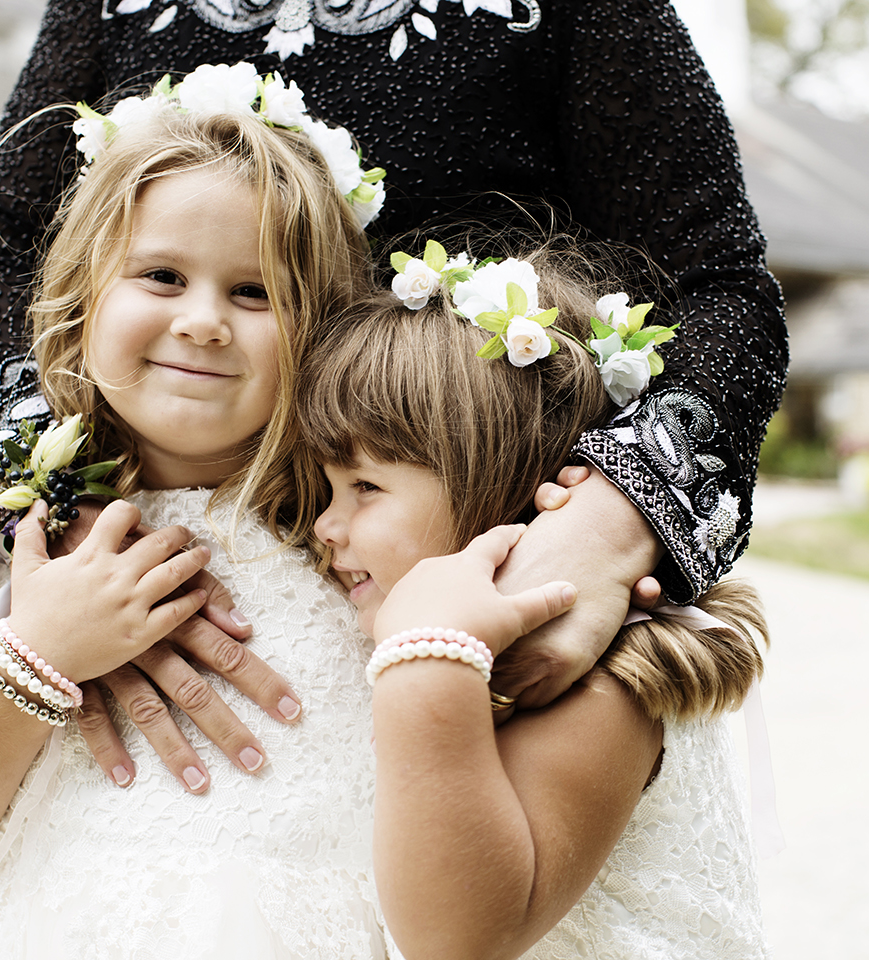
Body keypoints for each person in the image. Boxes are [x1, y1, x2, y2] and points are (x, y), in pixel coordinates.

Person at [0, 0, 789, 785]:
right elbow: (5, 252)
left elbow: (721, 287)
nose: (203, 317)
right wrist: (57, 512)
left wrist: (604, 532)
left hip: (487, 560)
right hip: (162, 528)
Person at [0, 71, 397, 956]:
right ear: (84, 299)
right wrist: (36, 656)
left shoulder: (357, 537)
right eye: (161, 275)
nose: (201, 322)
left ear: (325, 329)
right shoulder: (17, 542)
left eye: (254, 293)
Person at [295, 244, 772, 958]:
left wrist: (424, 660)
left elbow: (455, 937)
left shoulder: (602, 682)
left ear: (501, 481)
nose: (324, 526)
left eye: (366, 487)